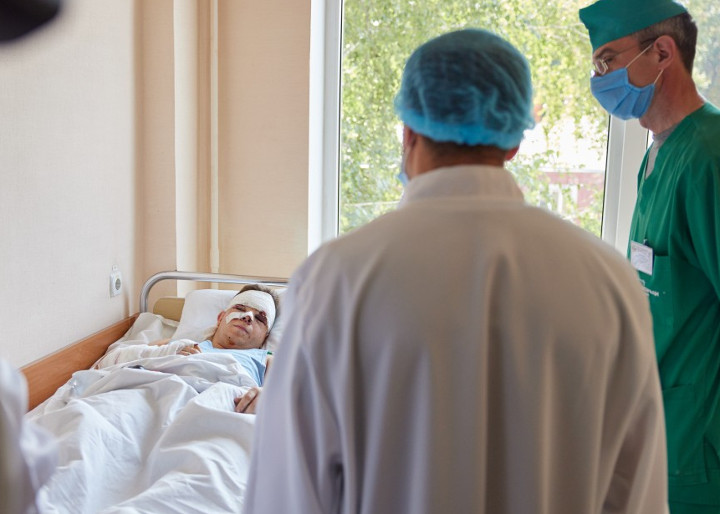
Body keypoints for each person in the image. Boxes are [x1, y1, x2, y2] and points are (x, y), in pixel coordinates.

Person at [243, 28, 667, 513]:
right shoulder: (607, 282)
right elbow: (637, 492)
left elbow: (287, 493)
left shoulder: (336, 279)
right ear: (513, 143)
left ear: (408, 131)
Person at [579, 1, 720, 512]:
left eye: (607, 61)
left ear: (662, 52)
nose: (599, 79)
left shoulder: (709, 156)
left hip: (698, 442)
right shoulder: (658, 153)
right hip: (662, 428)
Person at [96, 284, 280, 414]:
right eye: (240, 308)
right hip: (152, 401)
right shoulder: (178, 345)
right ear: (220, 318)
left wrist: (267, 397)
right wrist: (168, 354)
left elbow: (291, 399)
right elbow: (105, 364)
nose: (248, 317)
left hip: (217, 407)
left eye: (260, 319)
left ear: (265, 336)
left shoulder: (266, 360)